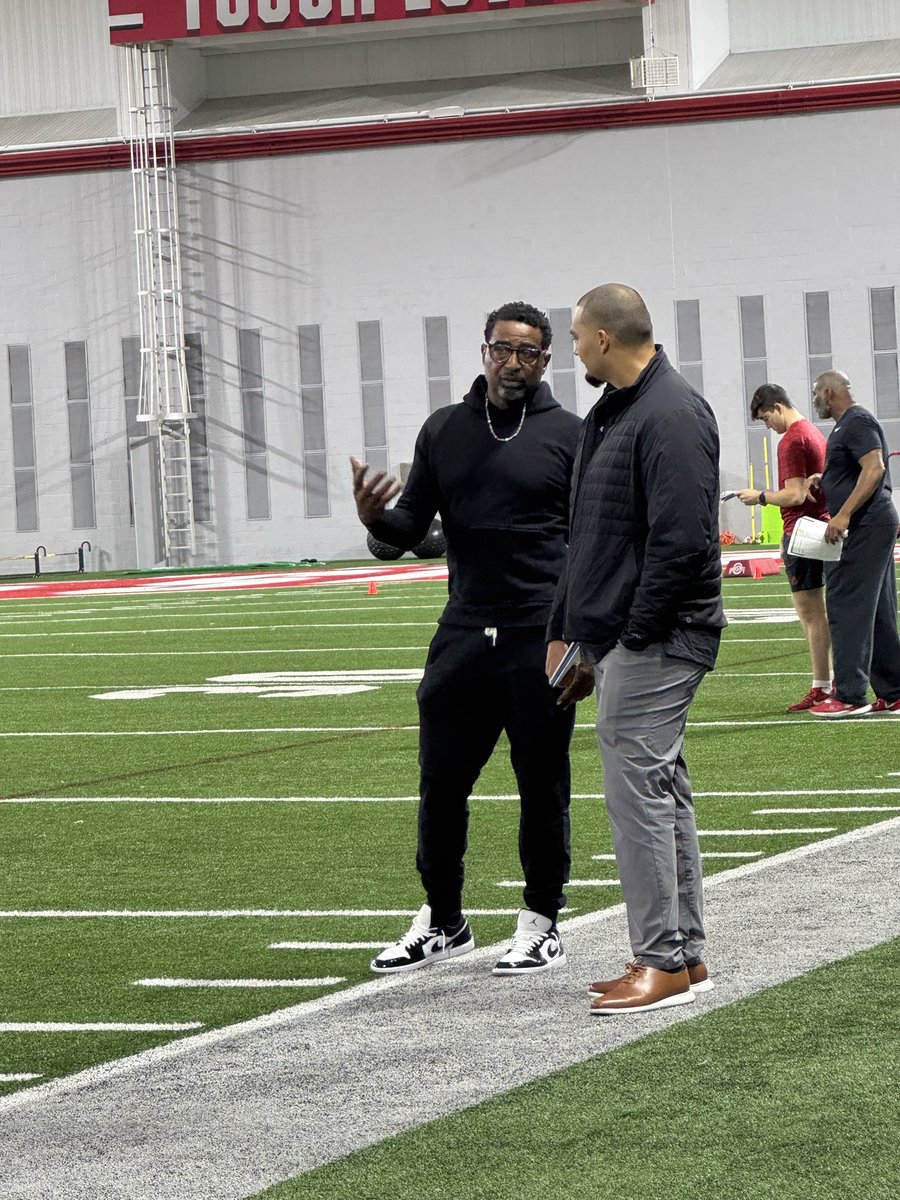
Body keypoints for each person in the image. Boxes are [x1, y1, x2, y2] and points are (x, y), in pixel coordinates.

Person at [350, 301, 589, 977]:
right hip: (461, 631)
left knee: (542, 785)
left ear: (546, 361)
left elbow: (589, 542)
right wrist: (375, 520)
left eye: (530, 353)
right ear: (483, 350)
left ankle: (541, 920)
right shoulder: (445, 430)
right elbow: (406, 529)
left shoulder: (571, 435)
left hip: (538, 635)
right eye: (504, 349)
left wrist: (578, 637)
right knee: (441, 783)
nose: (515, 363)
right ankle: (444, 919)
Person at [547, 283, 726, 1015]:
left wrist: (631, 634)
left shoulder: (670, 412)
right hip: (626, 634)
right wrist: (576, 631)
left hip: (657, 636)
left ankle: (662, 964)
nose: (573, 347)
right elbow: (590, 534)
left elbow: (682, 543)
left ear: (602, 340)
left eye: (576, 334)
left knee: (638, 797)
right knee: (661, 789)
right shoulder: (619, 410)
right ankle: (681, 953)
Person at [805, 370, 900, 717]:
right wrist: (826, 478)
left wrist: (842, 515)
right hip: (874, 522)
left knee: (846, 604)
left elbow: (873, 468)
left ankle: (849, 694)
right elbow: (857, 468)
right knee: (878, 611)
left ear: (829, 392)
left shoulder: (856, 421)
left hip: (864, 525)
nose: (814, 398)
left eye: (816, 391)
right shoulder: (847, 426)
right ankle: (893, 691)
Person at [735, 383, 832, 711]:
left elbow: (792, 496)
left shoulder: (792, 440)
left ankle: (822, 685)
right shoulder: (813, 433)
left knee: (810, 613)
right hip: (818, 526)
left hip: (802, 532)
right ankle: (827, 683)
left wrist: (758, 497)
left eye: (765, 419)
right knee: (817, 612)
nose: (768, 427)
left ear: (777, 407)